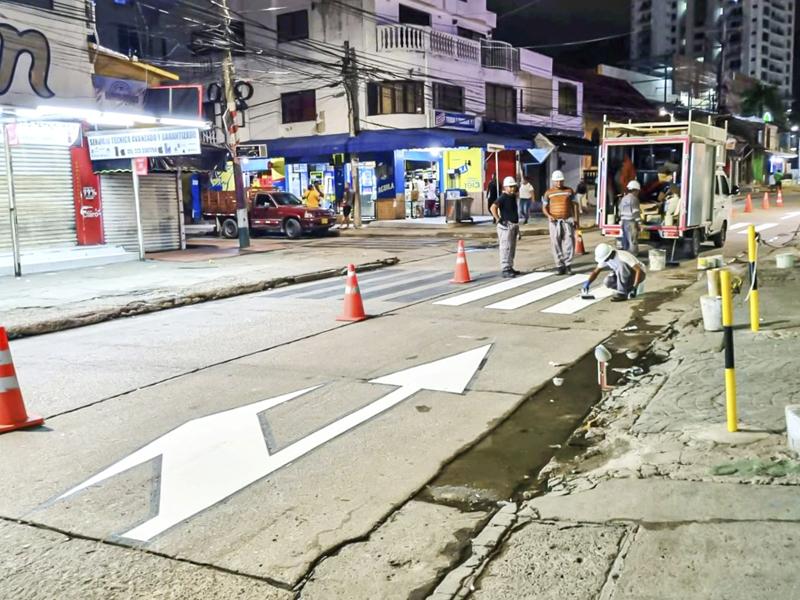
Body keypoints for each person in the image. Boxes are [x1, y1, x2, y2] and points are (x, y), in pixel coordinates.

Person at [543, 170, 580, 275]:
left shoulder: (569, 191)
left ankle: (568, 265)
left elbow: (575, 205)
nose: (559, 183)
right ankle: (560, 266)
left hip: (567, 221)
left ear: (563, 181)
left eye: (561, 181)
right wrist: (549, 216)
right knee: (556, 244)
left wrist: (576, 220)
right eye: (557, 181)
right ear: (553, 181)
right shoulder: (548, 193)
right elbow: (544, 207)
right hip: (554, 222)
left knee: (569, 243)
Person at [582, 243, 646, 302]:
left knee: (621, 265)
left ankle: (622, 294)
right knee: (608, 281)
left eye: (605, 259)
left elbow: (638, 270)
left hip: (639, 275)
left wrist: (635, 287)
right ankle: (627, 290)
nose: (605, 261)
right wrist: (588, 283)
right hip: (627, 276)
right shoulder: (606, 259)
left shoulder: (622, 256)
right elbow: (596, 272)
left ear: (609, 254)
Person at [490, 176, 521, 278]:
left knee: (511, 248)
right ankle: (505, 268)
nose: (512, 189)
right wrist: (498, 219)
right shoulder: (503, 197)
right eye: (510, 187)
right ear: (506, 187)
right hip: (506, 226)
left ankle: (510, 266)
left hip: (513, 225)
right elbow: (493, 207)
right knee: (505, 247)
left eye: (513, 187)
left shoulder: (512, 197)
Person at [619, 180, 642, 256]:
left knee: (625, 239)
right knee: (633, 239)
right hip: (631, 222)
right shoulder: (634, 199)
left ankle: (626, 254)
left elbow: (620, 209)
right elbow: (635, 212)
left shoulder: (624, 198)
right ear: (635, 190)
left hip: (624, 221)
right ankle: (633, 256)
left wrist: (621, 220)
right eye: (638, 191)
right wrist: (639, 223)